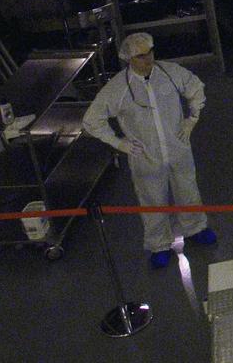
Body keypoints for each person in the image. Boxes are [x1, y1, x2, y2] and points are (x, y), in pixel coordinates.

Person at [82, 32, 216, 268]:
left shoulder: (170, 73)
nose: (148, 59)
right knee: (152, 200)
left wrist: (192, 118)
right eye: (141, 56)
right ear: (129, 59)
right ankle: (159, 245)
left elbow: (195, 86)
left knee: (188, 189)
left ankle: (195, 228)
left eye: (150, 52)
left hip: (177, 146)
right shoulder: (117, 89)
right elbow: (92, 120)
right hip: (146, 155)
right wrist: (119, 143)